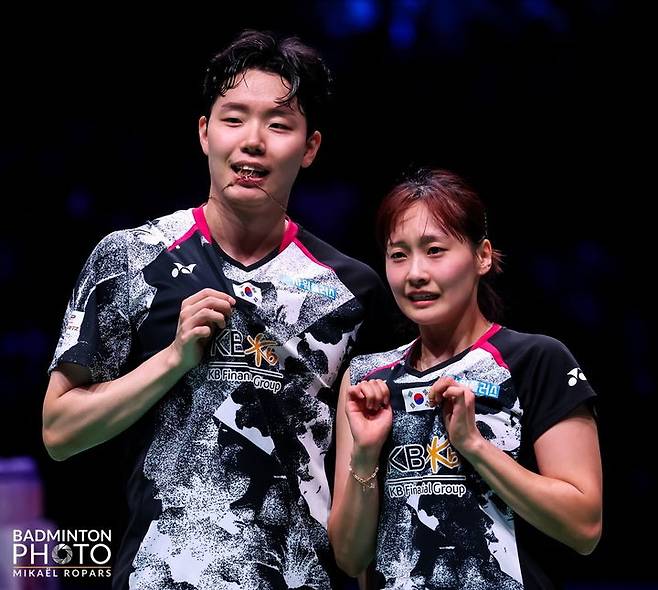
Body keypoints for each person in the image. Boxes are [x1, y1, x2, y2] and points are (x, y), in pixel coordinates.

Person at [43, 30, 398, 590]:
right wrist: (174, 360)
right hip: (158, 575)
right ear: (204, 132)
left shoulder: (353, 292)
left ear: (310, 147)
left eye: (279, 125)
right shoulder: (131, 259)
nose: (253, 141)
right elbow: (60, 432)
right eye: (233, 119)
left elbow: (372, 469)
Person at [328, 168, 603, 589]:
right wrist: (365, 456)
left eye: (434, 250)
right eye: (398, 255)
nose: (415, 273)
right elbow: (350, 559)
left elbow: (583, 528)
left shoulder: (535, 360)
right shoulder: (367, 379)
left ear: (482, 256)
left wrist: (473, 445)